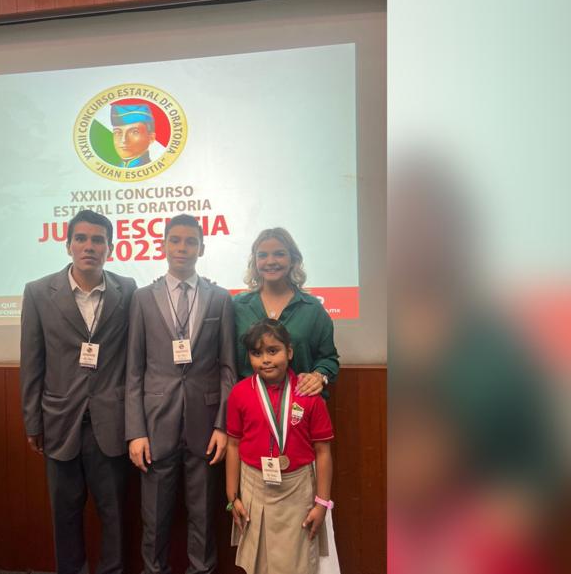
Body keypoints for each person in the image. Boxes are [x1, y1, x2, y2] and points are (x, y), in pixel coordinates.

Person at [20, 209, 137, 574]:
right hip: (59, 422)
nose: (90, 246)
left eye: (98, 240)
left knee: (114, 515)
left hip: (112, 423)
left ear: (110, 248)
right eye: (81, 239)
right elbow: (32, 361)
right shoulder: (38, 292)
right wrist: (32, 421)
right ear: (68, 244)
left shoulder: (127, 290)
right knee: (65, 515)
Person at [125, 214, 236, 574]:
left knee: (203, 516)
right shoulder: (142, 299)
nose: (182, 248)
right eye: (175, 240)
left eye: (191, 241)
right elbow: (134, 370)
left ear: (202, 248)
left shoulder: (220, 299)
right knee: (154, 517)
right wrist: (136, 431)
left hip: (206, 426)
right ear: (163, 246)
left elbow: (228, 368)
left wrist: (223, 426)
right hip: (155, 426)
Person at [226, 319, 336, 574]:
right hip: (253, 486)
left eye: (273, 351)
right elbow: (233, 445)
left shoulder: (309, 395)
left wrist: (322, 503)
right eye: (256, 353)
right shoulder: (240, 393)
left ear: (289, 352)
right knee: (259, 564)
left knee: (298, 563)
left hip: (297, 490)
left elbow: (323, 452)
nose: (265, 360)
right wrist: (232, 498)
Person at [234, 228, 339, 397]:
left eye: (279, 254)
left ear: (293, 260)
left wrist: (319, 376)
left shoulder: (312, 308)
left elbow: (328, 358)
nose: (270, 261)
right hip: (248, 405)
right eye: (262, 255)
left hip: (300, 404)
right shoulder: (237, 306)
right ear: (255, 262)